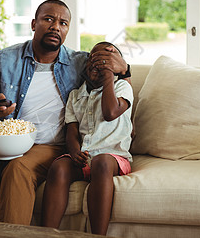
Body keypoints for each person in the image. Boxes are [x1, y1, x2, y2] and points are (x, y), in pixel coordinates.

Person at [0, 0, 130, 225]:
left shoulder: (79, 61)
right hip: (8, 140)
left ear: (67, 30)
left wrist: (125, 67)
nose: (55, 26)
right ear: (34, 24)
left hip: (50, 145)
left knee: (18, 168)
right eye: (48, 19)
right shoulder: (5, 59)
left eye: (63, 23)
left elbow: (113, 76)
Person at [41, 41, 133, 235]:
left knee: (101, 163)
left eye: (105, 61)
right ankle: (46, 233)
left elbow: (110, 112)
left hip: (113, 157)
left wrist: (109, 74)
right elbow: (72, 131)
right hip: (84, 156)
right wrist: (74, 151)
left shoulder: (122, 87)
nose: (98, 64)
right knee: (58, 167)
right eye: (94, 59)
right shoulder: (75, 96)